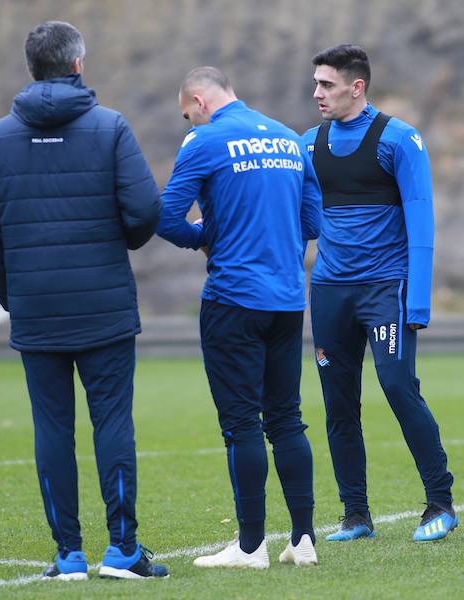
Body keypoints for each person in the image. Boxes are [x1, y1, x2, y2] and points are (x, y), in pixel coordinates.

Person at [0, 21, 168, 579]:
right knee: (113, 424)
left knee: (52, 430)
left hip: (37, 309)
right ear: (78, 65)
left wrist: (16, 296)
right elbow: (145, 211)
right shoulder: (110, 128)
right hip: (103, 307)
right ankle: (124, 550)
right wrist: (121, 243)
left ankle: (69, 555)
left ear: (32, 68)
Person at [158, 67, 322, 568]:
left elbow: (165, 217)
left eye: (188, 112)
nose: (189, 119)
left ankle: (251, 546)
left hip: (233, 299)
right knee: (287, 419)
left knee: (240, 424)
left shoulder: (204, 140)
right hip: (289, 299)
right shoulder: (290, 139)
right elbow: (312, 222)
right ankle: (303, 540)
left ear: (199, 102)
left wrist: (206, 235)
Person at [303, 44, 456, 543]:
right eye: (316, 83)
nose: (317, 93)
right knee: (338, 403)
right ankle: (356, 515)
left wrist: (420, 302)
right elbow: (294, 219)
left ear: (357, 86)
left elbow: (422, 223)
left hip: (386, 289)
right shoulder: (308, 144)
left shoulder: (400, 140)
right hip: (329, 292)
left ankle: (440, 502)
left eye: (326, 84)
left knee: (396, 385)